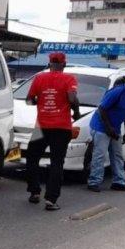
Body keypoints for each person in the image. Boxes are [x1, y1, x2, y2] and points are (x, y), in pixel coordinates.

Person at [24, 52, 81, 211]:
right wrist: (76, 112)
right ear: (64, 64)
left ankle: (34, 192)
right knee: (57, 162)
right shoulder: (69, 79)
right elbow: (71, 98)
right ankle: (51, 199)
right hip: (61, 128)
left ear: (49, 64)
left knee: (31, 158)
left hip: (41, 126)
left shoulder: (39, 78)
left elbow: (29, 100)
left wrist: (39, 101)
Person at [87, 72, 125, 192]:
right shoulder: (117, 92)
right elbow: (102, 109)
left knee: (117, 155)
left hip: (115, 128)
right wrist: (108, 128)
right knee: (100, 155)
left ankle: (118, 181)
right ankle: (94, 182)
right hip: (101, 127)